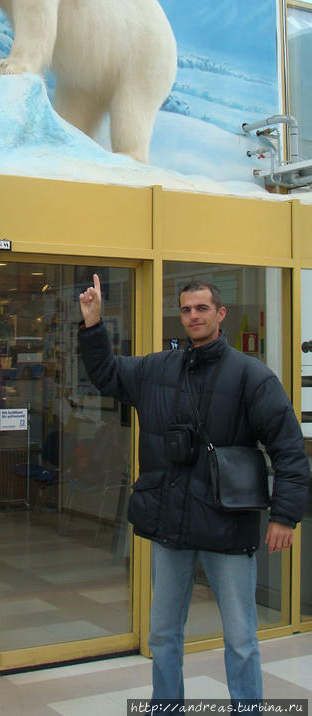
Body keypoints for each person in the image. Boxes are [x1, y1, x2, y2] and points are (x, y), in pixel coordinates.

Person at [78, 275, 310, 703]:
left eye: (202, 308)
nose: (193, 316)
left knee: (241, 638)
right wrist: (93, 326)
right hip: (172, 526)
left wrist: (285, 515)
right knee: (164, 634)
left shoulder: (251, 377)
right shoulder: (157, 369)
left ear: (220, 314)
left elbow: (289, 447)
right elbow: (108, 375)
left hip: (227, 527)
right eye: (186, 309)